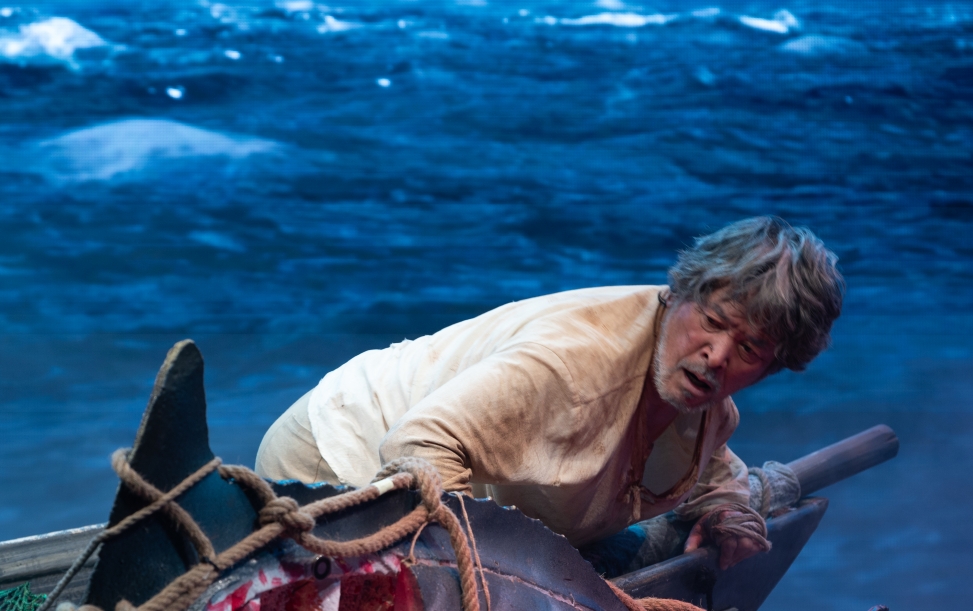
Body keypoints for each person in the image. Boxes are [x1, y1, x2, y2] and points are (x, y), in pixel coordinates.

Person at [256, 216, 844, 570]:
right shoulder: (573, 369)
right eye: (712, 322)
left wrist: (724, 508)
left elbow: (704, 459)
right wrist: (484, 578)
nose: (716, 354)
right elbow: (419, 444)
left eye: (749, 348)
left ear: (772, 367)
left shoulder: (697, 396)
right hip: (336, 458)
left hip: (418, 452)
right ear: (680, 293)